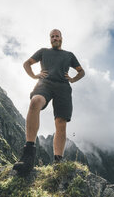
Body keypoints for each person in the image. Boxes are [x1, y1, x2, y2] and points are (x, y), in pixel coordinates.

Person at [13, 29, 85, 175]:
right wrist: (34, 76)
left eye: (57, 36)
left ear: (61, 38)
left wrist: (72, 79)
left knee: (60, 122)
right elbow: (27, 63)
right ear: (50, 39)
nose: (54, 38)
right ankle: (28, 155)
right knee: (35, 102)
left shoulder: (69, 55)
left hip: (63, 88)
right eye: (52, 36)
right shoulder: (43, 51)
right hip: (44, 84)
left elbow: (81, 71)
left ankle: (58, 163)